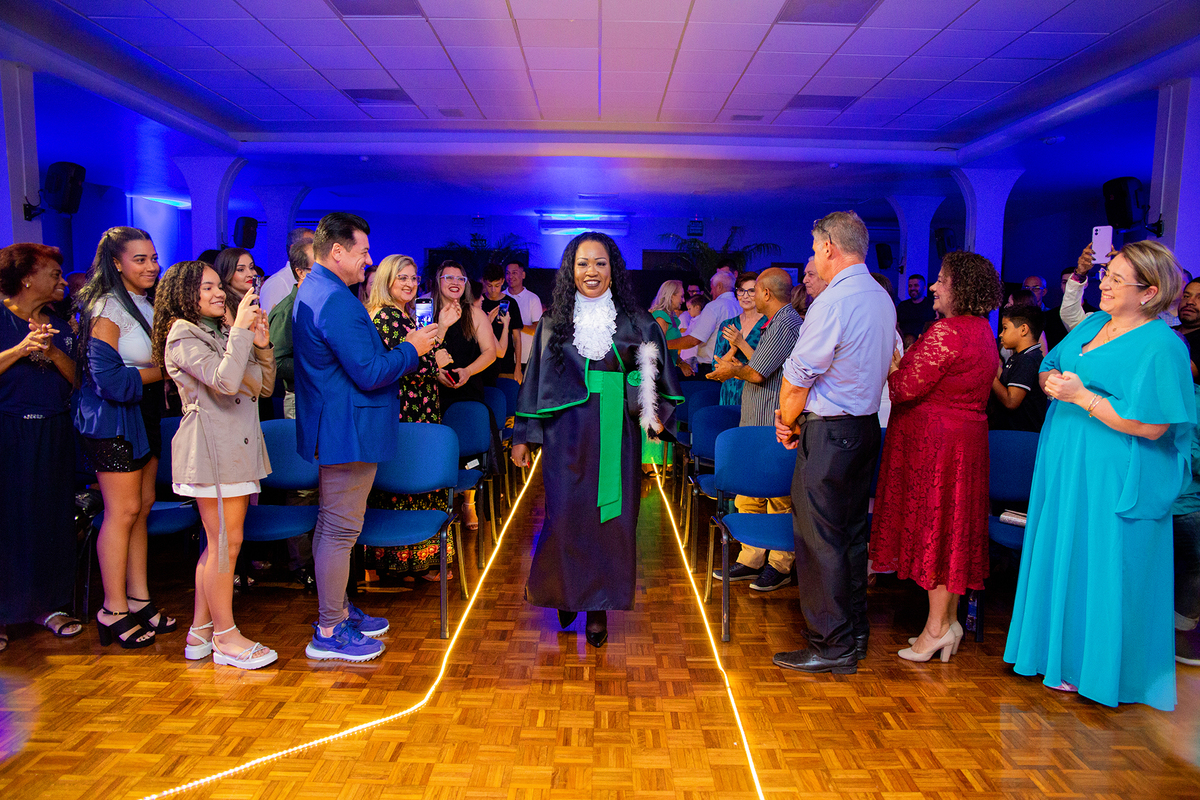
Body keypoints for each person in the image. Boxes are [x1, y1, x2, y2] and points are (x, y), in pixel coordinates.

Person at [1004, 240, 1195, 710]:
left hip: (1113, 462)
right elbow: (1051, 364)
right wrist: (1054, 384)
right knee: (1062, 549)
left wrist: (1084, 398)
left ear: (1148, 292)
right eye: (1107, 276)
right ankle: (1056, 656)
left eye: (1116, 280)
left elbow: (1154, 424)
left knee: (1101, 559)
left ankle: (1098, 669)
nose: (1104, 285)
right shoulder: (1093, 322)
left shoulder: (1162, 344)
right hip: (1066, 454)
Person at [512, 232, 682, 647]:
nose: (592, 271)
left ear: (613, 270)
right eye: (583, 263)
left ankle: (598, 608)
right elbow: (535, 382)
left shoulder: (639, 322)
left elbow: (653, 379)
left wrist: (632, 397)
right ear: (571, 270)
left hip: (614, 432)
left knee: (611, 521)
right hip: (563, 435)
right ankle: (567, 593)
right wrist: (522, 435)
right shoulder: (554, 322)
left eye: (601, 263)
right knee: (566, 516)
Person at [292, 212, 439, 662]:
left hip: (336, 423)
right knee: (340, 529)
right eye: (363, 252)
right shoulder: (335, 300)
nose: (368, 261)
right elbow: (371, 372)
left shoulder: (315, 290)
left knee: (333, 526)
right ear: (337, 252)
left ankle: (335, 610)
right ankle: (330, 629)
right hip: (347, 429)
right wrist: (412, 350)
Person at [772, 211, 896, 674]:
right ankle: (854, 633)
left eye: (812, 248)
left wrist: (786, 419)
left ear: (829, 248)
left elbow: (801, 371)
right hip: (865, 429)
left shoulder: (833, 302)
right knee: (850, 537)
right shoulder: (882, 298)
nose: (811, 257)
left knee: (819, 538)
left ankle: (831, 645)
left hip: (829, 432)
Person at [870, 252, 1003, 663]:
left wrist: (894, 367)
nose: (933, 286)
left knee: (937, 532)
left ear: (960, 288)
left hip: (939, 447)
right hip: (962, 444)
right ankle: (945, 624)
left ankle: (938, 628)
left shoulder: (948, 332)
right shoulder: (982, 330)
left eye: (941, 280)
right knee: (951, 532)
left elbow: (906, 387)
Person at [154, 260, 278, 668]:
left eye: (217, 286)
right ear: (184, 294)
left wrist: (259, 343)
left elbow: (262, 386)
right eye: (206, 288)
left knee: (218, 544)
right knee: (226, 543)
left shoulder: (220, 330)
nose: (219, 293)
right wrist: (241, 331)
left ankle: (200, 631)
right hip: (210, 448)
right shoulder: (182, 334)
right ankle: (226, 637)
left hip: (235, 446)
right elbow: (224, 383)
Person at [75, 226, 173, 649]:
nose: (152, 266)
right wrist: (167, 370)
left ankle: (139, 599)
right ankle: (111, 609)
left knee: (143, 507)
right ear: (116, 263)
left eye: (153, 257)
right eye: (140, 259)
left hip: (145, 412)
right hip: (112, 419)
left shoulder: (145, 302)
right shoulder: (105, 307)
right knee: (123, 510)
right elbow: (109, 381)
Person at [0, 243, 81, 652]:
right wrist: (21, 349)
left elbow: (77, 379)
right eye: (52, 272)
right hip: (7, 430)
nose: (60, 280)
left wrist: (51, 352)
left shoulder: (59, 324)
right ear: (28, 276)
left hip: (53, 429)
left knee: (50, 517)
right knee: (7, 522)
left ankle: (47, 606)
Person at [708, 269, 802, 592]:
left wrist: (731, 370)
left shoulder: (786, 324)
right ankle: (751, 558)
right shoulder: (776, 323)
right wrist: (735, 368)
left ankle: (780, 564)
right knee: (750, 492)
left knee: (777, 496)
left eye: (755, 291)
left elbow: (758, 373)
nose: (750, 296)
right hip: (757, 419)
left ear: (765, 293)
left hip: (772, 422)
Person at [362, 255, 453, 582]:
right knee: (411, 478)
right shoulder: (389, 317)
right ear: (386, 280)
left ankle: (414, 560)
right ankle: (409, 561)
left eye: (414, 279)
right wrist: (434, 363)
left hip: (416, 405)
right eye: (402, 278)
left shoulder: (402, 315)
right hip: (408, 407)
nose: (410, 284)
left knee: (415, 477)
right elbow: (410, 363)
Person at [267, 241, 313, 420]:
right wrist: (316, 365)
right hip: (299, 397)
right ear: (300, 272)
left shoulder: (316, 304)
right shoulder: (288, 310)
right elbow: (275, 362)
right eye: (318, 270)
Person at [989, 305, 1047, 432]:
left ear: (1023, 330)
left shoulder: (1028, 359)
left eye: (1005, 328)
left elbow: (1011, 401)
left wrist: (989, 377)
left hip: (1020, 436)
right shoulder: (1019, 357)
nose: (1000, 334)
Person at [671, 271, 741, 376]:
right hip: (736, 368)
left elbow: (694, 340)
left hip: (711, 367)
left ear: (719, 286)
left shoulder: (714, 307)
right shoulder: (740, 306)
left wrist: (665, 344)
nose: (711, 292)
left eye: (712, 288)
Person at [712, 272, 766, 407]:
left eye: (751, 291)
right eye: (741, 291)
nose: (745, 296)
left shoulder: (768, 324)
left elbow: (765, 366)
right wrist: (733, 349)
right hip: (729, 393)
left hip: (757, 394)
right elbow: (716, 367)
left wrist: (740, 343)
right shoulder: (728, 325)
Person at [479, 263, 523, 385]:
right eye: (489, 286)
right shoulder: (479, 302)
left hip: (506, 364)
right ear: (483, 282)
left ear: (503, 281)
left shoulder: (511, 303)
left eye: (497, 285)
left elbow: (517, 338)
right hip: (483, 364)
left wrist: (517, 367)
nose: (493, 290)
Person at [260, 227, 314, 314]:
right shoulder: (277, 283)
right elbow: (271, 323)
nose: (317, 250)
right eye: (310, 244)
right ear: (294, 249)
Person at [505, 260, 542, 378]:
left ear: (523, 275)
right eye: (507, 273)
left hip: (526, 358)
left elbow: (537, 329)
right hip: (504, 356)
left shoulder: (532, 299)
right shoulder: (501, 297)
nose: (510, 276)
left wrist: (515, 325)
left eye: (514, 273)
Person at [213, 248, 255, 328]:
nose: (250, 274)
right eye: (241, 270)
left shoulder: (252, 300)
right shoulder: (224, 306)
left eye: (251, 268)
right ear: (227, 273)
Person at [896, 274, 936, 343]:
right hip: (903, 345)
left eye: (916, 285)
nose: (912, 288)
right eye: (910, 286)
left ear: (924, 288)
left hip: (924, 344)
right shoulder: (902, 305)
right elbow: (897, 326)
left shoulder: (932, 304)